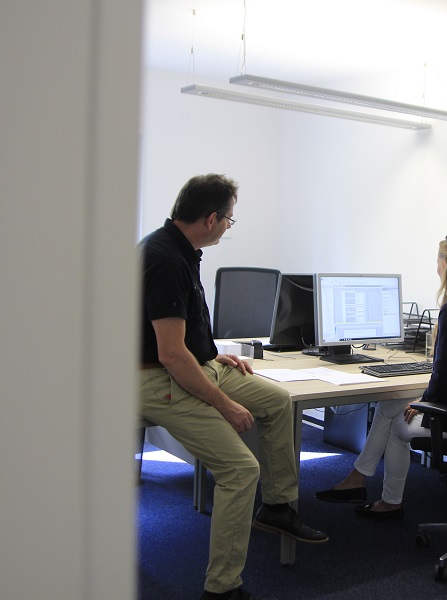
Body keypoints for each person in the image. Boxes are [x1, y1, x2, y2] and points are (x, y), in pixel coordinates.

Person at [139, 173, 328, 600]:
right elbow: (170, 354)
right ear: (211, 219)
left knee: (278, 400)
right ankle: (222, 588)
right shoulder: (165, 258)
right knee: (241, 471)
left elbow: (180, 334)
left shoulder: (183, 250)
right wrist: (224, 404)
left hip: (193, 364)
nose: (228, 226)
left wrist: (210, 353)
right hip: (156, 377)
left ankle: (277, 507)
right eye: (229, 220)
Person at [315, 234, 447, 519]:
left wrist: (424, 400)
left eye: (438, 261)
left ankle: (387, 499)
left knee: (396, 424)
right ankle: (359, 479)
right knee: (389, 405)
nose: (436, 267)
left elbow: (444, 374)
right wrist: (424, 397)